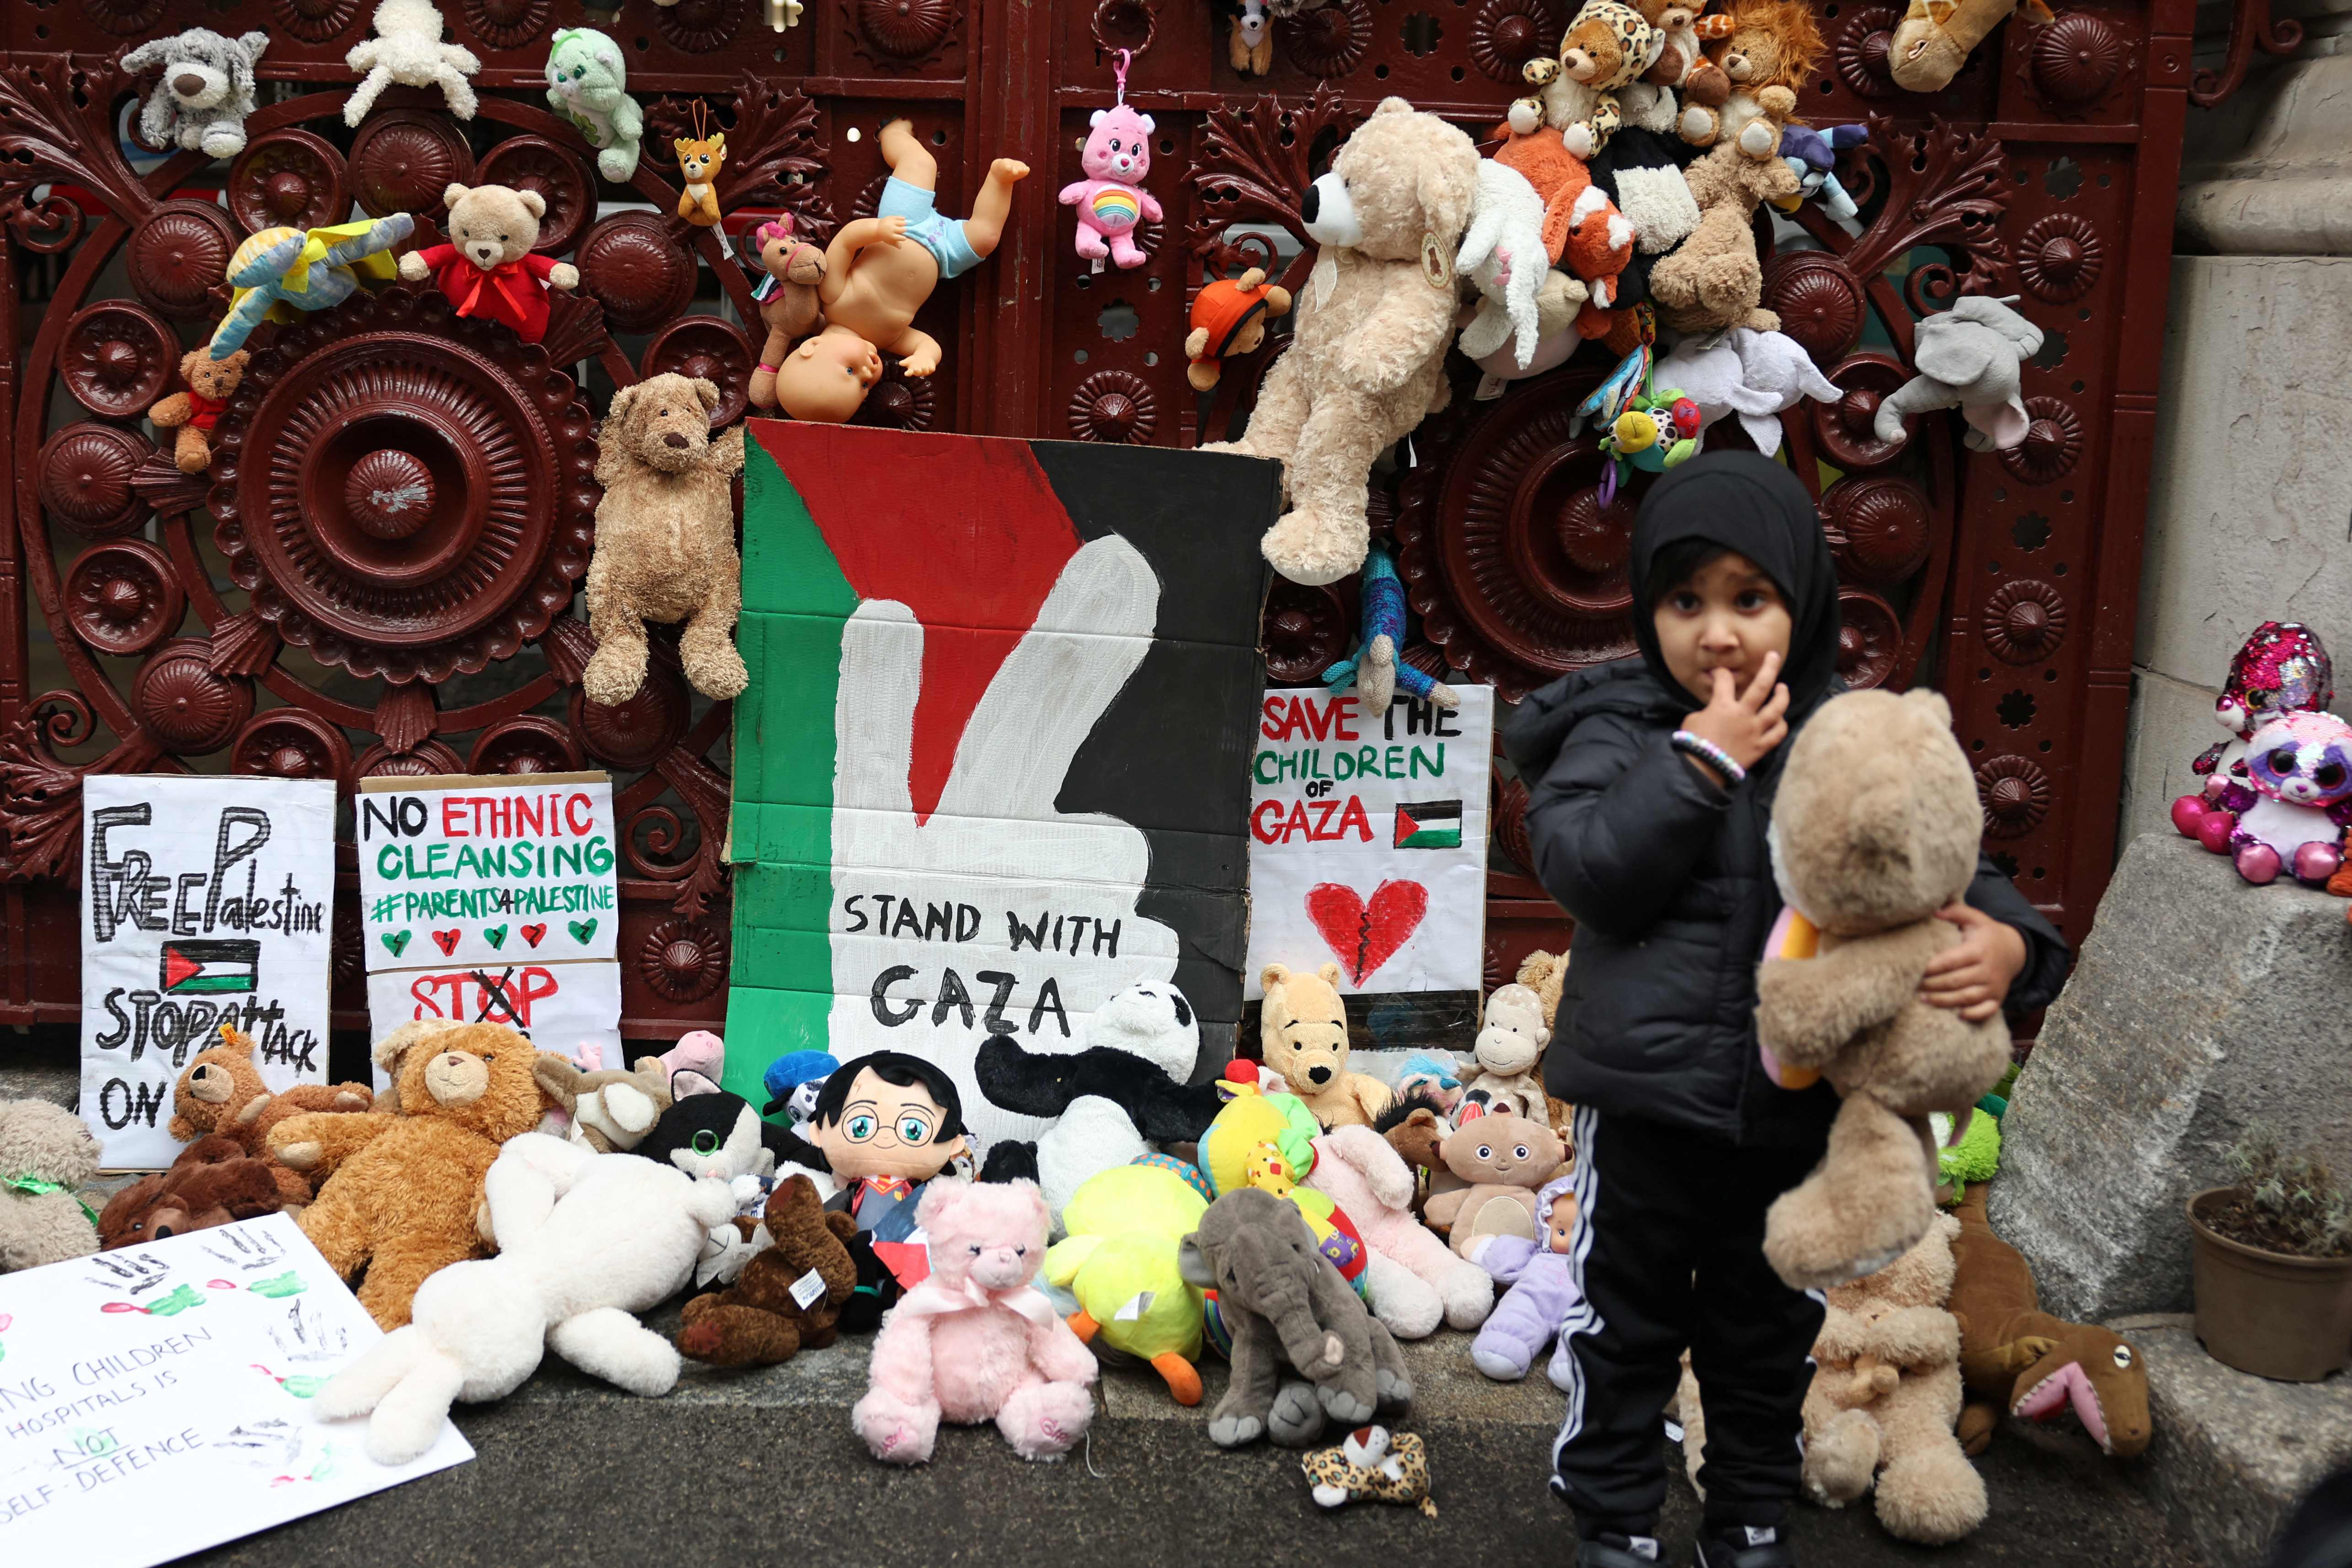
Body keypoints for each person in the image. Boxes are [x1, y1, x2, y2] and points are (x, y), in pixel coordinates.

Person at [1501, 452, 2071, 1568]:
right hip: (1649, 1105)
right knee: (1625, 1329)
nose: (1717, 632)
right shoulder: (1618, 728)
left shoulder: (1852, 739)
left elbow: (1955, 861)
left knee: (1764, 1340)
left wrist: (2010, 943)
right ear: (1645, 610)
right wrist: (1696, 768)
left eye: (1748, 599)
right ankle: (1613, 1519)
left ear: (1800, 600)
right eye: (1685, 601)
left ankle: (1750, 1514)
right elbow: (1585, 866)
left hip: (1791, 1115)